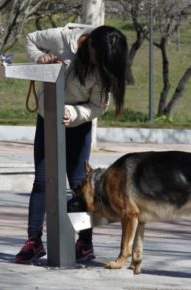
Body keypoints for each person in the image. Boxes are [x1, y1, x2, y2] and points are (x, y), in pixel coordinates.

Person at [15, 23, 128, 264]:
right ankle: (33, 241)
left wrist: (74, 114)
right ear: (90, 45)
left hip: (77, 125)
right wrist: (40, 58)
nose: (101, 65)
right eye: (101, 58)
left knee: (79, 185)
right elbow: (30, 38)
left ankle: (84, 243)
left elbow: (98, 106)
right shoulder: (62, 38)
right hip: (47, 118)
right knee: (42, 180)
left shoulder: (103, 66)